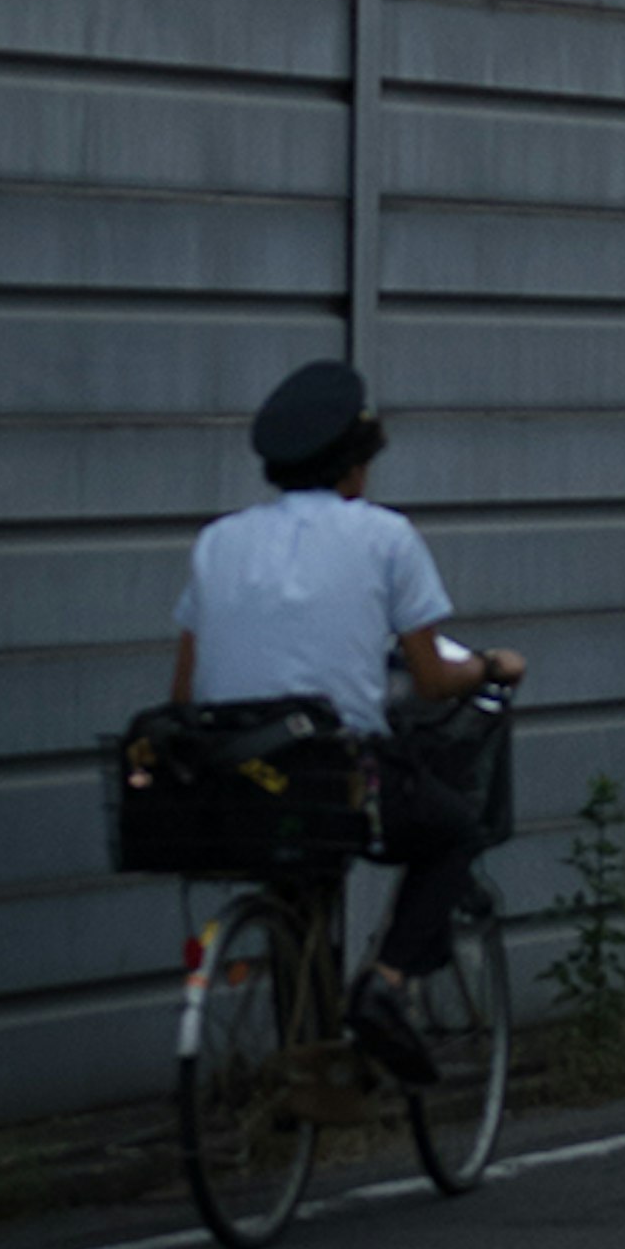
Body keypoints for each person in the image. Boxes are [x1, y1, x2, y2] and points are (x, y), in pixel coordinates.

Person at [170, 359, 525, 1087]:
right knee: (453, 828)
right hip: (336, 775)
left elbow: (183, 690)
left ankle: (311, 1072)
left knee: (297, 865)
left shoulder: (218, 542)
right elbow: (428, 678)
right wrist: (487, 667)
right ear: (355, 467)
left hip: (233, 781)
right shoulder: (386, 537)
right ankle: (387, 985)